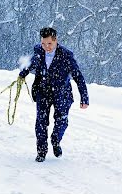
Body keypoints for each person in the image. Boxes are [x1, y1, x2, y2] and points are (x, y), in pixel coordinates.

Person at [18, 27, 89, 162]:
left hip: (62, 93)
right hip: (43, 92)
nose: (46, 47)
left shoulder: (66, 55)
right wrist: (24, 72)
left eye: (49, 43)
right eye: (43, 44)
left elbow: (78, 76)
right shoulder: (39, 51)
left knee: (61, 120)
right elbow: (31, 64)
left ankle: (56, 140)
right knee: (41, 121)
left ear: (56, 41)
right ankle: (41, 151)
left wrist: (84, 97)